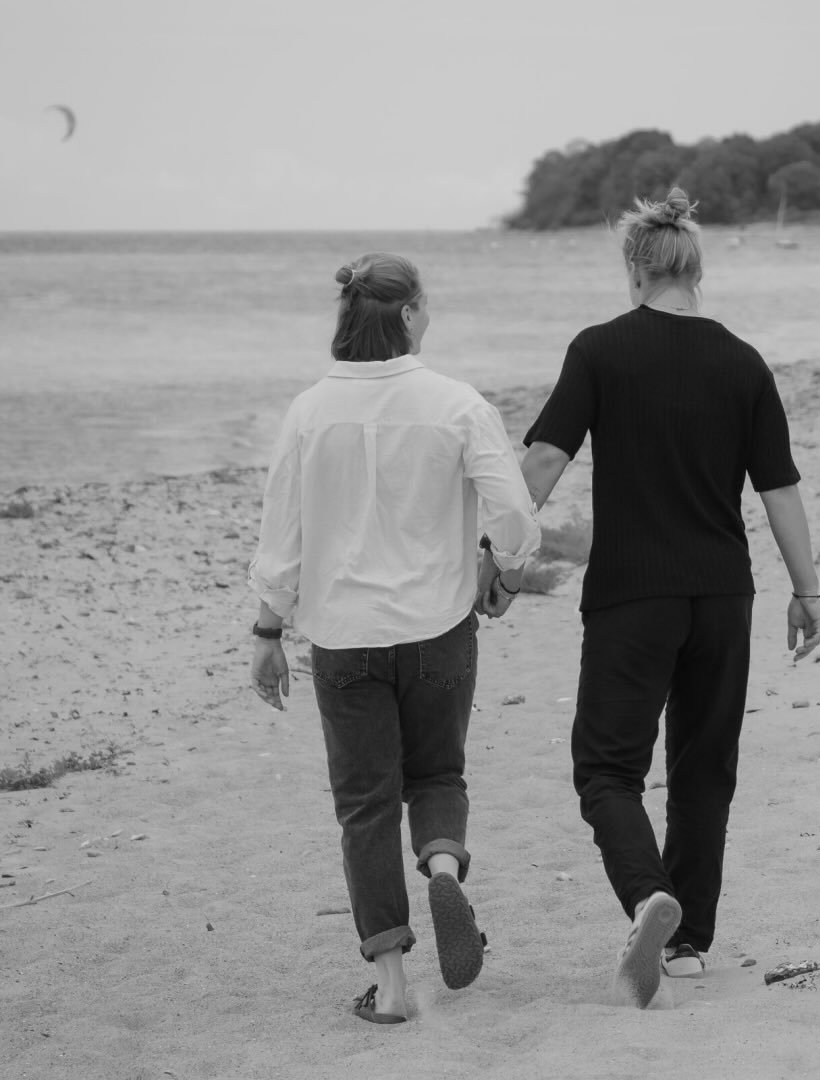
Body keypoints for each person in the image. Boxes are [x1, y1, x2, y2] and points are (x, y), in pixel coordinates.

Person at [519, 188, 820, 1009]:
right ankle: (687, 945)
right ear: (695, 273)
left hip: (632, 596)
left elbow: (544, 460)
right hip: (723, 595)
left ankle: (649, 895)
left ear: (635, 271)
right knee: (703, 768)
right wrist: (807, 590)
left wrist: (497, 554)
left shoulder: (600, 350)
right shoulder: (743, 362)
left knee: (606, 770)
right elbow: (780, 488)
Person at [248, 252, 539, 1024]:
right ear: (408, 314)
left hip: (344, 639)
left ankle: (392, 985)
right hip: (437, 628)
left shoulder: (309, 412)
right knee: (437, 773)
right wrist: (505, 574)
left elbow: (282, 535)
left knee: (365, 804)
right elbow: (514, 515)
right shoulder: (456, 403)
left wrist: (268, 628)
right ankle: (442, 868)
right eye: (426, 304)